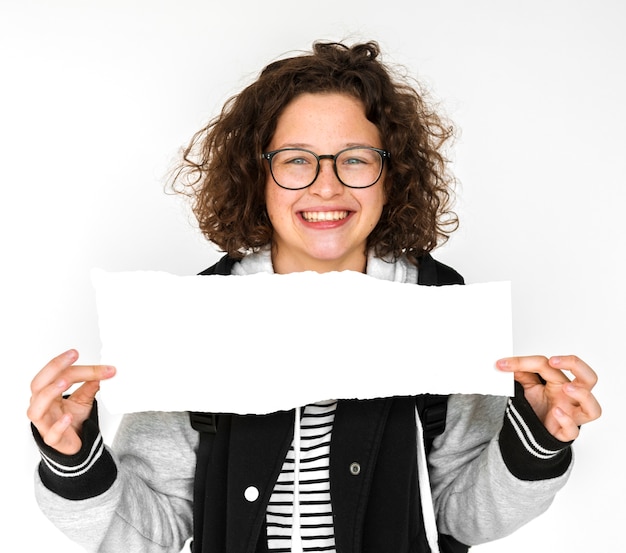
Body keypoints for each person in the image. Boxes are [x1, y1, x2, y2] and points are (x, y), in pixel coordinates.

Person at [28, 41, 601, 553]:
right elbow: (148, 532)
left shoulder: (437, 306)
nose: (326, 186)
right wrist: (74, 461)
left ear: (391, 175)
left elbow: (459, 515)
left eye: (355, 159)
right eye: (296, 159)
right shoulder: (201, 316)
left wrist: (536, 438)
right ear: (259, 176)